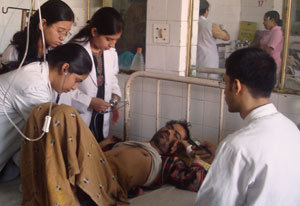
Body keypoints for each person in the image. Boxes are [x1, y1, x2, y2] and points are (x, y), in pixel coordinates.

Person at [21, 102, 208, 205]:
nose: (168, 132)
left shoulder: (167, 162)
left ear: (176, 147)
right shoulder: (130, 143)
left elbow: (198, 181)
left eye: (176, 135)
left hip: (107, 182)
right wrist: (103, 144)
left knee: (66, 113)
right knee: (42, 110)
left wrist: (191, 153)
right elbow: (87, 156)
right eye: (169, 127)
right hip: (89, 171)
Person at [194, 48, 300, 205]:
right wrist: (222, 158)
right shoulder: (291, 129)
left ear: (236, 86)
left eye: (225, 82)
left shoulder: (236, 147)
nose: (224, 91)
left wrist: (228, 155)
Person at [0, 43, 92, 182]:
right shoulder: (34, 87)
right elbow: (48, 134)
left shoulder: (39, 74)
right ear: (65, 68)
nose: (75, 87)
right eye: (77, 81)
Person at [59, 7, 123, 142]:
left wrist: (115, 97)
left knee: (98, 149)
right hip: (80, 114)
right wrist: (89, 102)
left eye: (116, 40)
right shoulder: (75, 50)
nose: (112, 44)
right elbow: (62, 87)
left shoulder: (109, 52)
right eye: (109, 39)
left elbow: (112, 78)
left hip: (101, 116)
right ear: (94, 31)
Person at [1, 0, 74, 68]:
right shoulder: (15, 52)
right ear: (42, 24)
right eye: (60, 31)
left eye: (66, 33)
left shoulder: (57, 54)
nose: (63, 38)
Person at [196, 0, 230, 79]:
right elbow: (227, 37)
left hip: (195, 58)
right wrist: (224, 30)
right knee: (209, 82)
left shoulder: (191, 22)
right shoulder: (210, 25)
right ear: (206, 11)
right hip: (208, 60)